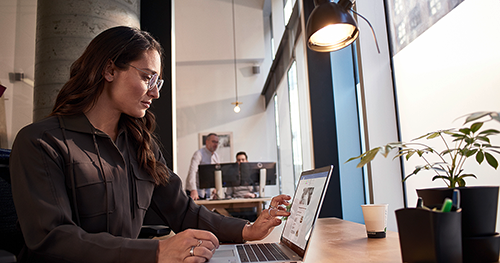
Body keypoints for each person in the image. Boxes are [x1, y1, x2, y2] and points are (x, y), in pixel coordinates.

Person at [9, 26, 291, 263]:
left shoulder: (140, 145)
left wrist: (248, 229)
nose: (155, 92)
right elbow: (53, 238)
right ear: (109, 70)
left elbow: (183, 211)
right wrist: (158, 250)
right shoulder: (41, 141)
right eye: (147, 78)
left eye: (159, 81)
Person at [185, 133, 220, 200]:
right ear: (207, 142)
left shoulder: (216, 156)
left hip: (206, 191)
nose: (215, 144)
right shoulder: (199, 154)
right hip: (195, 190)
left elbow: (217, 174)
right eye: (213, 142)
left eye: (217, 142)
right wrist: (193, 189)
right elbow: (192, 172)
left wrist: (216, 188)